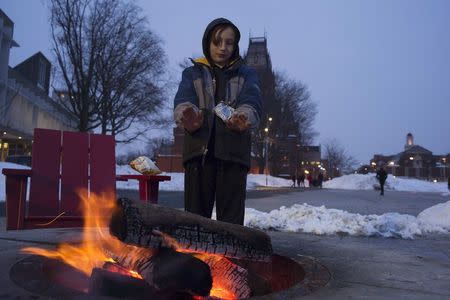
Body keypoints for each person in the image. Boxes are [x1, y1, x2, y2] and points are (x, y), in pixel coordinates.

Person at [173, 18, 262, 225]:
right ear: (207, 43)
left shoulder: (247, 74)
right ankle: (194, 257)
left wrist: (243, 117)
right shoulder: (192, 72)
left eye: (229, 43)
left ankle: (230, 258)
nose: (223, 48)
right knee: (195, 224)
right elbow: (183, 100)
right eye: (217, 41)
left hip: (233, 156)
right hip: (198, 156)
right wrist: (187, 114)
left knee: (231, 226)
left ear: (235, 45)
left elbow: (253, 100)